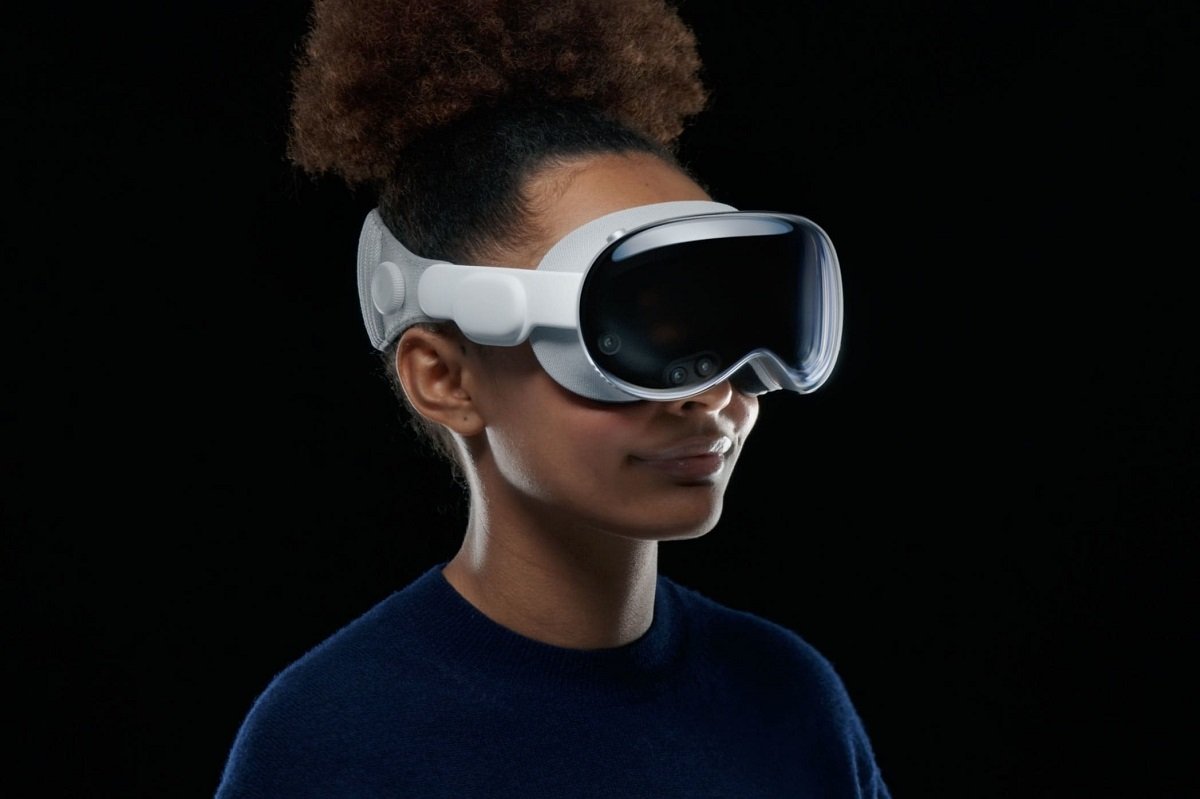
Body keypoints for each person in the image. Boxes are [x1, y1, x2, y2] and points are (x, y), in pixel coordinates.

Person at [215, 0, 892, 796]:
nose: (714, 393)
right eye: (635, 333)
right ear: (445, 378)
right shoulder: (330, 737)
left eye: (730, 331)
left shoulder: (791, 697)